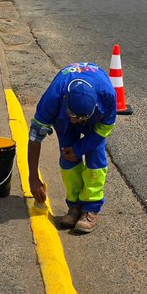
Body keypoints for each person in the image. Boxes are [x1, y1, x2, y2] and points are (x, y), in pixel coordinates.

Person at [27, 63, 117, 234]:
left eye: (82, 118)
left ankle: (91, 208)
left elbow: (105, 128)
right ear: (65, 101)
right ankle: (74, 206)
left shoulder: (107, 95)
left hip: (95, 121)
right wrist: (33, 178)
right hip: (63, 118)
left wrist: (81, 148)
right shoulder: (52, 98)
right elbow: (34, 138)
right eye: (74, 116)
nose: (77, 122)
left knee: (95, 156)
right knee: (67, 156)